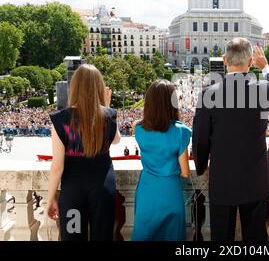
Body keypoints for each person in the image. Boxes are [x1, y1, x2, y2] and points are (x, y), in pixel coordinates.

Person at [192, 38, 269, 241]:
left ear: (224, 60)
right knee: (256, 237)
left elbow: (199, 139)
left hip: (223, 179)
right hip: (256, 179)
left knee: (221, 237)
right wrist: (266, 67)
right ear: (251, 62)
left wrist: (201, 166)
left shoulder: (208, 94)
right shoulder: (263, 89)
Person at [46, 64, 121, 241]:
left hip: (73, 191)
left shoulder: (59, 118)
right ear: (99, 87)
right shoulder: (109, 115)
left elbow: (57, 167)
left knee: (73, 238)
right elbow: (116, 140)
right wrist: (106, 106)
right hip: (102, 188)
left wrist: (50, 199)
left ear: (75, 86)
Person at [132, 80, 191, 241]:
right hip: (169, 191)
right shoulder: (182, 132)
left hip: (147, 190)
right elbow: (185, 172)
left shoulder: (138, 129)